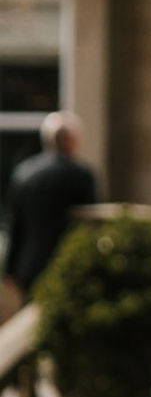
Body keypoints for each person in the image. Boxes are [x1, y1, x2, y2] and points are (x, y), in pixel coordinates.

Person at [4, 111, 99, 304]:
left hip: (29, 267)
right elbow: (90, 224)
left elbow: (15, 225)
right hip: (67, 266)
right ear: (73, 140)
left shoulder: (24, 173)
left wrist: (10, 268)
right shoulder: (82, 176)